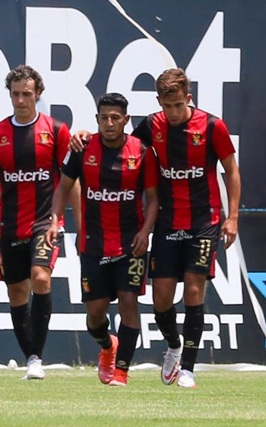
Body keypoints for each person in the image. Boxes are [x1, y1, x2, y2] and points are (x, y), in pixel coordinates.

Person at [71, 68, 241, 388]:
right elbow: (120, 147)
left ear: (188, 98)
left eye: (179, 105)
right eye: (168, 105)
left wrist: (233, 217)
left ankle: (188, 369)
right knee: (162, 299)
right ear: (159, 102)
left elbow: (231, 170)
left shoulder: (212, 126)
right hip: (167, 222)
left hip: (205, 221)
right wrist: (83, 136)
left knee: (193, 289)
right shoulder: (151, 126)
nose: (174, 112)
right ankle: (174, 347)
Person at [45, 93, 159, 386]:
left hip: (130, 242)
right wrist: (55, 220)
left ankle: (121, 371)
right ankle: (108, 347)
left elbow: (153, 198)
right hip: (93, 244)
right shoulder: (83, 149)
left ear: (126, 120)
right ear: (97, 120)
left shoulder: (142, 152)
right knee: (95, 315)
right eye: (104, 118)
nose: (109, 123)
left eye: (115, 118)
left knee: (129, 301)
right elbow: (63, 187)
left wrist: (146, 231)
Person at [0, 65, 80, 380]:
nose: (21, 100)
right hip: (8, 225)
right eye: (15, 94)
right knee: (17, 292)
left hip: (44, 222)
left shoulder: (56, 130)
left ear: (38, 95)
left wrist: (80, 222)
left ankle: (35, 359)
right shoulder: (1, 133)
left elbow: (70, 180)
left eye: (27, 94)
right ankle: (33, 357)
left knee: (41, 278)